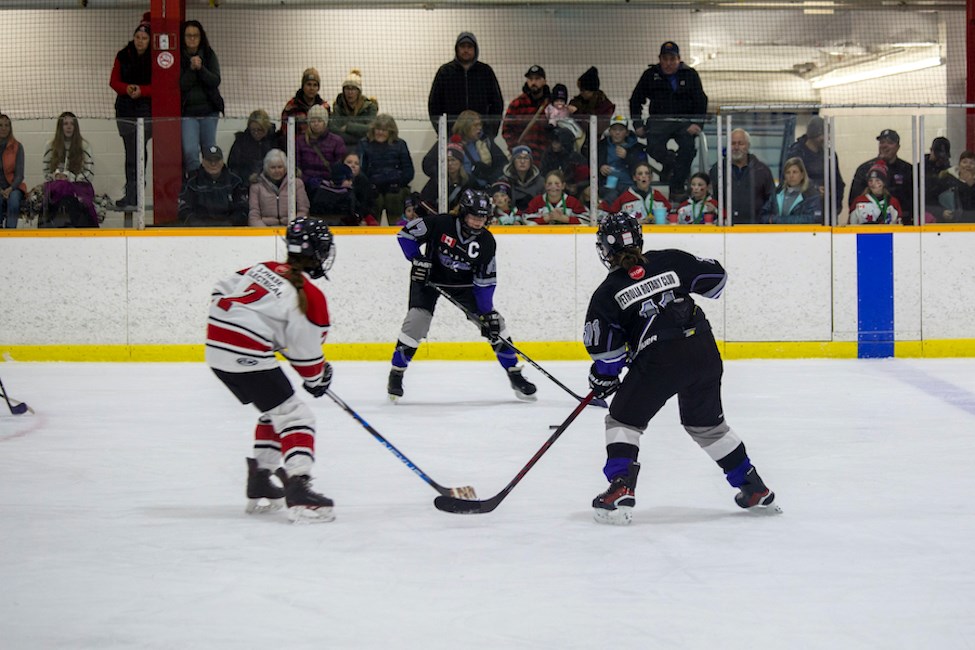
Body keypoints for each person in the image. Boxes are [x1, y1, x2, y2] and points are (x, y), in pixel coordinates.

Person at [585, 212, 780, 525]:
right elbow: (716, 279)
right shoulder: (670, 259)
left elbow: (608, 355)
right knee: (706, 425)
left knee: (623, 419)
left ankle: (621, 486)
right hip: (703, 350)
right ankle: (752, 485)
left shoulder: (608, 292)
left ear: (604, 249)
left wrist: (602, 378)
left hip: (660, 359)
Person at [205, 216, 337, 523]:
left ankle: (261, 479)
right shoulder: (311, 296)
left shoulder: (263, 267)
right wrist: (318, 378)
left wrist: (252, 328)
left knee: (274, 410)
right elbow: (306, 358)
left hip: (216, 347)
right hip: (245, 352)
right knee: (296, 416)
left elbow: (221, 289)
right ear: (318, 251)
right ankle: (300, 488)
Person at [386, 188, 537, 402]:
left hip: (465, 286)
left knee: (497, 324)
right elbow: (405, 235)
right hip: (429, 279)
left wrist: (486, 314)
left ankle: (514, 374)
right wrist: (416, 259)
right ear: (464, 213)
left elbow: (485, 283)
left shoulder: (487, 242)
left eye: (482, 217)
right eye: (474, 216)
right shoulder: (441, 223)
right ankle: (396, 373)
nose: (478, 222)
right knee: (415, 323)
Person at [629, 41, 708, 200]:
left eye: (672, 59)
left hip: (683, 122)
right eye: (665, 59)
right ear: (660, 59)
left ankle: (677, 187)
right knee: (653, 147)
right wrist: (637, 125)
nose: (668, 63)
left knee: (687, 149)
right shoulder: (650, 74)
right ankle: (671, 164)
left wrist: (697, 124)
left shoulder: (690, 74)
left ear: (679, 59)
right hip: (659, 121)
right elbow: (635, 100)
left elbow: (701, 101)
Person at [109, 12, 152, 208]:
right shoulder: (122, 55)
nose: (140, 41)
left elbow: (160, 85)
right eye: (137, 37)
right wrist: (126, 89)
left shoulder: (155, 58)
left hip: (146, 109)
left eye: (144, 38)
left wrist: (143, 91)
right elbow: (114, 81)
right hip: (125, 110)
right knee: (131, 153)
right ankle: (132, 194)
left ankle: (139, 194)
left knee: (139, 152)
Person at [428, 32, 504, 138]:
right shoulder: (445, 72)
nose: (466, 50)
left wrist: (490, 132)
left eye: (469, 46)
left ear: (475, 49)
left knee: (496, 155)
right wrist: (442, 131)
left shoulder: (485, 71)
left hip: (481, 134)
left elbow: (497, 104)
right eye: (462, 46)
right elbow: (434, 105)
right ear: (457, 49)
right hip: (452, 135)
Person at [180, 20, 224, 176]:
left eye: (195, 35)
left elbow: (215, 80)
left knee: (209, 151)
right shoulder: (178, 57)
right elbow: (180, 85)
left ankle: (209, 187)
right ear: (183, 37)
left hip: (209, 112)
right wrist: (192, 70)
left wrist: (201, 68)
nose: (192, 39)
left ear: (201, 37)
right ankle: (194, 185)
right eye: (188, 35)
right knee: (190, 152)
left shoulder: (209, 54)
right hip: (187, 114)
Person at [42, 112, 98, 228]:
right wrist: (56, 176)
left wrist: (70, 178)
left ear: (76, 127)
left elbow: (89, 173)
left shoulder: (84, 146)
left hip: (79, 186)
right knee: (56, 191)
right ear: (60, 127)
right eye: (65, 124)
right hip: (56, 186)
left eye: (72, 124)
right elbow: (46, 171)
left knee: (70, 194)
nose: (68, 127)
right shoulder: (50, 145)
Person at [708, 128, 774, 225]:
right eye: (733, 143)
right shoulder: (717, 169)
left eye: (740, 143)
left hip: (755, 228)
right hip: (726, 229)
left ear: (748, 146)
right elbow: (712, 197)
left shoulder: (762, 170)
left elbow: (771, 200)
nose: (736, 147)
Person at [848, 129, 915, 224]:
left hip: (902, 225)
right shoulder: (865, 169)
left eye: (890, 142)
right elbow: (854, 200)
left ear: (898, 147)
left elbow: (914, 200)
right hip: (868, 227)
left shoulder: (907, 169)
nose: (884, 146)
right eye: (882, 142)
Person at [359, 114, 414, 225]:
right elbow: (361, 170)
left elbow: (408, 171)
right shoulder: (364, 144)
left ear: (391, 131)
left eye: (384, 130)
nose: (380, 133)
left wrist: (399, 184)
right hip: (373, 191)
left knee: (395, 208)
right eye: (378, 129)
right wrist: (368, 186)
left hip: (395, 191)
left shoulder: (400, 144)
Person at [784, 116, 845, 216]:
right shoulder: (797, 153)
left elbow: (837, 182)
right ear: (815, 135)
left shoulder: (829, 155)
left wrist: (835, 207)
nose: (827, 138)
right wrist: (814, 190)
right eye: (824, 134)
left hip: (827, 211)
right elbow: (791, 180)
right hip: (803, 211)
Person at [177, 145, 248, 226]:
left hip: (229, 230)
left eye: (217, 160)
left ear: (222, 162)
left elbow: (243, 208)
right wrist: (197, 224)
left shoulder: (235, 181)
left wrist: (230, 223)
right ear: (203, 162)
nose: (213, 164)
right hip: (199, 231)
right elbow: (183, 208)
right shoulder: (192, 182)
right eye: (209, 160)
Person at [502, 65, 551, 166]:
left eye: (537, 79)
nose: (533, 82)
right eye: (530, 79)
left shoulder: (550, 105)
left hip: (545, 157)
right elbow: (507, 129)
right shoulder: (517, 104)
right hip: (522, 157)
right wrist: (515, 150)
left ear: (544, 81)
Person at [248, 149, 309, 227]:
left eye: (280, 167)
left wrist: (294, 227)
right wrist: (264, 231)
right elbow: (254, 214)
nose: (277, 171)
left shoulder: (296, 183)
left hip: (291, 227)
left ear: (286, 167)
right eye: (273, 167)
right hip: (265, 229)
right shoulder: (256, 186)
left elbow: (303, 210)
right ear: (266, 168)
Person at [295, 105, 347, 197]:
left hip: (328, 185)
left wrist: (330, 181)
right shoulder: (300, 141)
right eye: (313, 121)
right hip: (305, 184)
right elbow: (296, 165)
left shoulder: (336, 141)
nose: (316, 124)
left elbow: (339, 165)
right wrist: (306, 179)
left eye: (319, 121)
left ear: (325, 122)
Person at [451, 110, 507, 190]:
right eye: (476, 125)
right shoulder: (451, 143)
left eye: (480, 124)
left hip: (484, 188)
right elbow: (429, 164)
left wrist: (491, 178)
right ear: (466, 127)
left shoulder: (485, 142)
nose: (480, 128)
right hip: (461, 188)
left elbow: (503, 163)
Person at [598, 161, 670, 224]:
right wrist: (635, 222)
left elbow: (670, 216)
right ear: (634, 177)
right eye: (640, 174)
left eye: (647, 173)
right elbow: (613, 218)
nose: (644, 176)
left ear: (651, 177)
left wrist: (658, 220)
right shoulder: (625, 197)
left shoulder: (658, 196)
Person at [596, 114, 646, 205]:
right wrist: (600, 167)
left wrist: (628, 157)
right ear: (610, 131)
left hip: (630, 185)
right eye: (614, 129)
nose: (617, 133)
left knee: (630, 198)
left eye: (621, 130)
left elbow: (644, 165)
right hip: (608, 186)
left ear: (627, 132)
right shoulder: (601, 146)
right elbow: (591, 163)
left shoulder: (637, 147)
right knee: (611, 197)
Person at [759, 157, 824, 224]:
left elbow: (813, 219)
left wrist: (777, 220)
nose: (791, 175)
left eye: (795, 172)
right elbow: (763, 216)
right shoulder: (777, 193)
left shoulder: (811, 195)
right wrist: (770, 219)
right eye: (788, 172)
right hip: (777, 233)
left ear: (802, 175)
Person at [569, 66, 616, 156]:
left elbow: (596, 128)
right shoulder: (577, 102)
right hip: (577, 145)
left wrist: (577, 114)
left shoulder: (605, 106)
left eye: (583, 90)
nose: (581, 93)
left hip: (596, 146)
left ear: (592, 90)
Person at [280, 67, 328, 148]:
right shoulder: (292, 106)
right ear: (303, 86)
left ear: (318, 88)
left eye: (315, 85)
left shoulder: (324, 107)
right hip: (296, 146)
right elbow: (285, 131)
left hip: (320, 146)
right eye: (309, 84)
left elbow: (328, 132)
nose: (311, 88)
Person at [228, 109, 278, 184]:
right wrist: (247, 177)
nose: (256, 133)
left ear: (266, 127)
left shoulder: (275, 140)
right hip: (246, 183)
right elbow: (233, 166)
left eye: (260, 130)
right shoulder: (241, 141)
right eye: (253, 130)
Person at [331, 69, 378, 149]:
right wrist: (360, 133)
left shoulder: (370, 107)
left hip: (365, 149)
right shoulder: (338, 107)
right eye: (347, 89)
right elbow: (333, 130)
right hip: (343, 148)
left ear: (358, 91)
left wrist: (348, 127)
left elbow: (371, 129)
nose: (350, 92)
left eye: (353, 89)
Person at [419, 142, 473, 211]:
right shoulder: (437, 180)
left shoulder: (467, 182)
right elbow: (425, 199)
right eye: (447, 160)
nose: (450, 164)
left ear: (460, 162)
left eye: (453, 160)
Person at [539, 126, 588, 200]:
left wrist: (577, 186)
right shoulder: (547, 156)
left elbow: (587, 179)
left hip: (574, 193)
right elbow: (543, 175)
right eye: (553, 141)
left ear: (566, 143)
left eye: (558, 141)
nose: (554, 144)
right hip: (551, 189)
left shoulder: (577, 158)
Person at [524, 170, 589, 225]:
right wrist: (545, 219)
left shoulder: (572, 202)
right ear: (545, 185)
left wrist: (565, 219)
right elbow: (526, 221)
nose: (553, 187)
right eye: (549, 184)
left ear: (563, 186)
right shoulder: (536, 201)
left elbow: (586, 220)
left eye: (557, 184)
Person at [848, 161, 902, 225]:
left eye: (877, 181)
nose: (873, 184)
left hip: (886, 235)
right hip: (863, 234)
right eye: (870, 180)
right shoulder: (859, 201)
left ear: (884, 183)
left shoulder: (893, 202)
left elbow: (898, 226)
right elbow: (851, 225)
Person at [932, 150, 975, 223]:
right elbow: (931, 199)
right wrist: (941, 212)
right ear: (959, 164)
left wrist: (972, 185)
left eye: (972, 163)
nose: (968, 165)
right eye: (964, 162)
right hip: (951, 226)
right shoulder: (947, 180)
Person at [0, 114, 26, 229]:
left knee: (14, 201)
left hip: (14, 187)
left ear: (10, 128)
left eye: (7, 125)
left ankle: (10, 233)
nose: (4, 128)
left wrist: (10, 189)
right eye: (0, 125)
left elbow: (20, 174)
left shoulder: (18, 147)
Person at [503, 144, 544, 211]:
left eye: (526, 158)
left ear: (531, 162)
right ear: (513, 161)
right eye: (519, 158)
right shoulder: (504, 181)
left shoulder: (541, 182)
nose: (522, 162)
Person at [342, 151, 379, 226]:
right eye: (349, 162)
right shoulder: (334, 181)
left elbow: (366, 205)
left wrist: (361, 218)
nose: (353, 165)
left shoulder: (364, 182)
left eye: (356, 164)